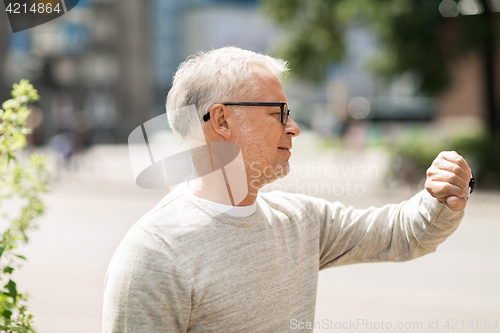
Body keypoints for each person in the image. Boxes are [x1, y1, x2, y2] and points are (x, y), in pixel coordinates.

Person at [103, 47, 472, 332]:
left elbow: (403, 234)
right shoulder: (154, 254)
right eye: (278, 113)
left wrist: (442, 197)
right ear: (221, 120)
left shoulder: (299, 220)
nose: (294, 128)